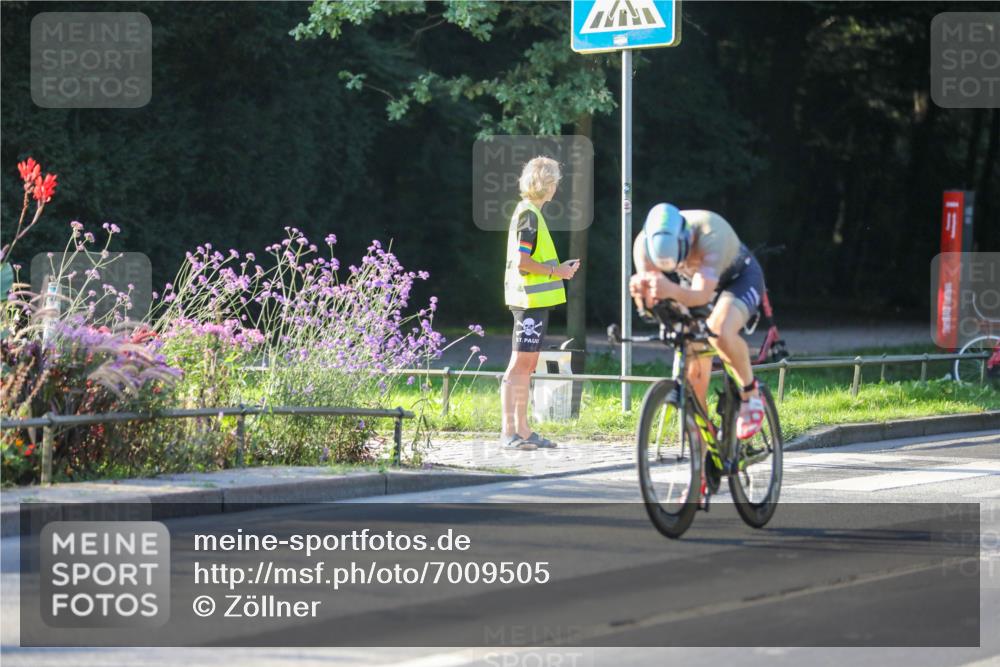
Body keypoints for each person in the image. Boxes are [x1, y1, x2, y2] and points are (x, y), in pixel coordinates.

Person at [629, 203, 766, 441]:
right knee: (693, 372)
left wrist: (669, 289)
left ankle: (750, 394)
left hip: (737, 279)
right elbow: (654, 299)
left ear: (687, 238)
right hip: (690, 283)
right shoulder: (643, 244)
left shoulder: (711, 233)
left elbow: (701, 296)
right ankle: (703, 457)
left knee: (720, 332)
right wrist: (643, 298)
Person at [500, 157, 580, 450]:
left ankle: (523, 430)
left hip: (534, 301)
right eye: (555, 180)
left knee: (528, 365)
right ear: (547, 184)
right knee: (520, 365)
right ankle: (510, 432)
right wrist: (558, 271)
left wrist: (559, 269)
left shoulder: (531, 213)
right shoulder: (529, 215)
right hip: (527, 301)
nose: (557, 186)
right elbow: (523, 262)